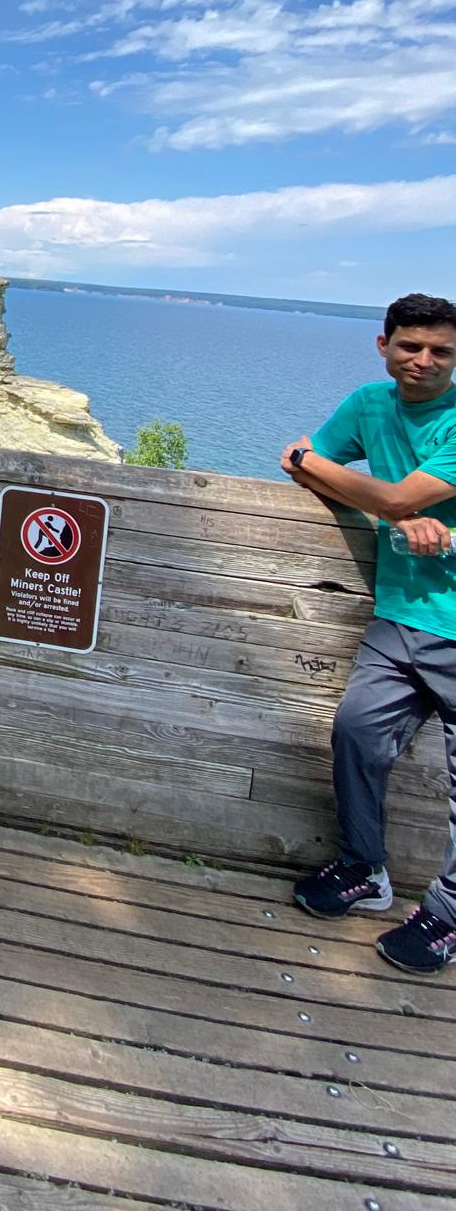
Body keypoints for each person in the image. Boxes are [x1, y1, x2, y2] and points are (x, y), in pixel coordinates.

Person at [282, 292, 456, 975]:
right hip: (399, 615)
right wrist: (308, 461)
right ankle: (364, 870)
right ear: (382, 346)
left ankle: (445, 917)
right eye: (410, 346)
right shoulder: (368, 404)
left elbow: (392, 497)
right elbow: (314, 463)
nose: (423, 360)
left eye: (441, 351)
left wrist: (311, 462)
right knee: (355, 731)